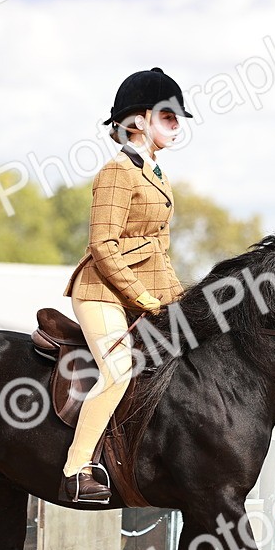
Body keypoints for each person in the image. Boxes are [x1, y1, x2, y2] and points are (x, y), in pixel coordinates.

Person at [60, 67, 192, 503]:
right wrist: (142, 297)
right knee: (118, 370)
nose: (177, 126)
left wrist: (183, 303)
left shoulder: (156, 174)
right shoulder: (117, 172)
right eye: (169, 117)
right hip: (101, 291)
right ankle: (77, 468)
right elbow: (102, 244)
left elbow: (159, 251)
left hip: (140, 290)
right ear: (137, 121)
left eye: (177, 119)